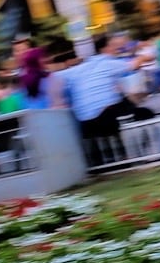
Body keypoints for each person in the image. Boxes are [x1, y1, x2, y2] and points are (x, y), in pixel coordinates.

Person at [63, 32, 148, 166]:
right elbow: (134, 65)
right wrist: (144, 56)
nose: (117, 48)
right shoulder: (108, 63)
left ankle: (113, 160)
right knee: (145, 113)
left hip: (85, 122)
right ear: (104, 49)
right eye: (113, 46)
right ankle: (138, 156)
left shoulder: (77, 69)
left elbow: (56, 76)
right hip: (106, 117)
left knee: (122, 104)